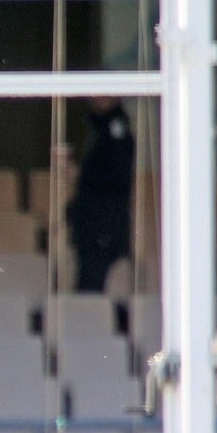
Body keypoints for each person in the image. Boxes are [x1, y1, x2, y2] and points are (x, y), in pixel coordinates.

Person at [67, 97, 134, 293]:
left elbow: (116, 176)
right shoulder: (99, 129)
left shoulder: (116, 130)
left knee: (93, 286)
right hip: (92, 225)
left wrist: (80, 175)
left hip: (102, 225)